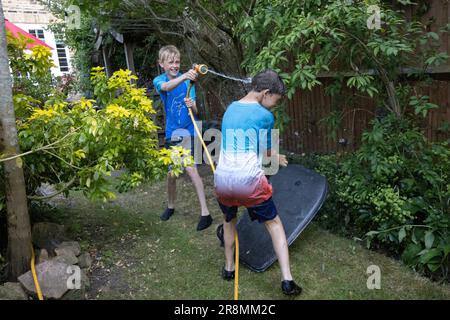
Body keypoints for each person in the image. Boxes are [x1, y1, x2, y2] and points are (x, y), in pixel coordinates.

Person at [214, 69, 302, 295]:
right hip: (248, 181)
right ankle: (287, 281)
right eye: (276, 100)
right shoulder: (265, 116)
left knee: (228, 219)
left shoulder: (230, 108)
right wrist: (278, 157)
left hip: (222, 179)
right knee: (274, 223)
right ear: (265, 93)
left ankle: (228, 268)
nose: (275, 105)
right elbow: (266, 152)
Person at [153, 45, 212, 231]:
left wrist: (191, 104)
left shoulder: (188, 83)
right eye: (170, 62)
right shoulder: (160, 80)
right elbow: (166, 87)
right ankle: (170, 206)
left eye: (177, 61)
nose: (175, 65)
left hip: (189, 129)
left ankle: (205, 213)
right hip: (172, 131)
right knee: (172, 174)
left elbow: (195, 111)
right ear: (161, 64)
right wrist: (184, 76)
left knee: (191, 169)